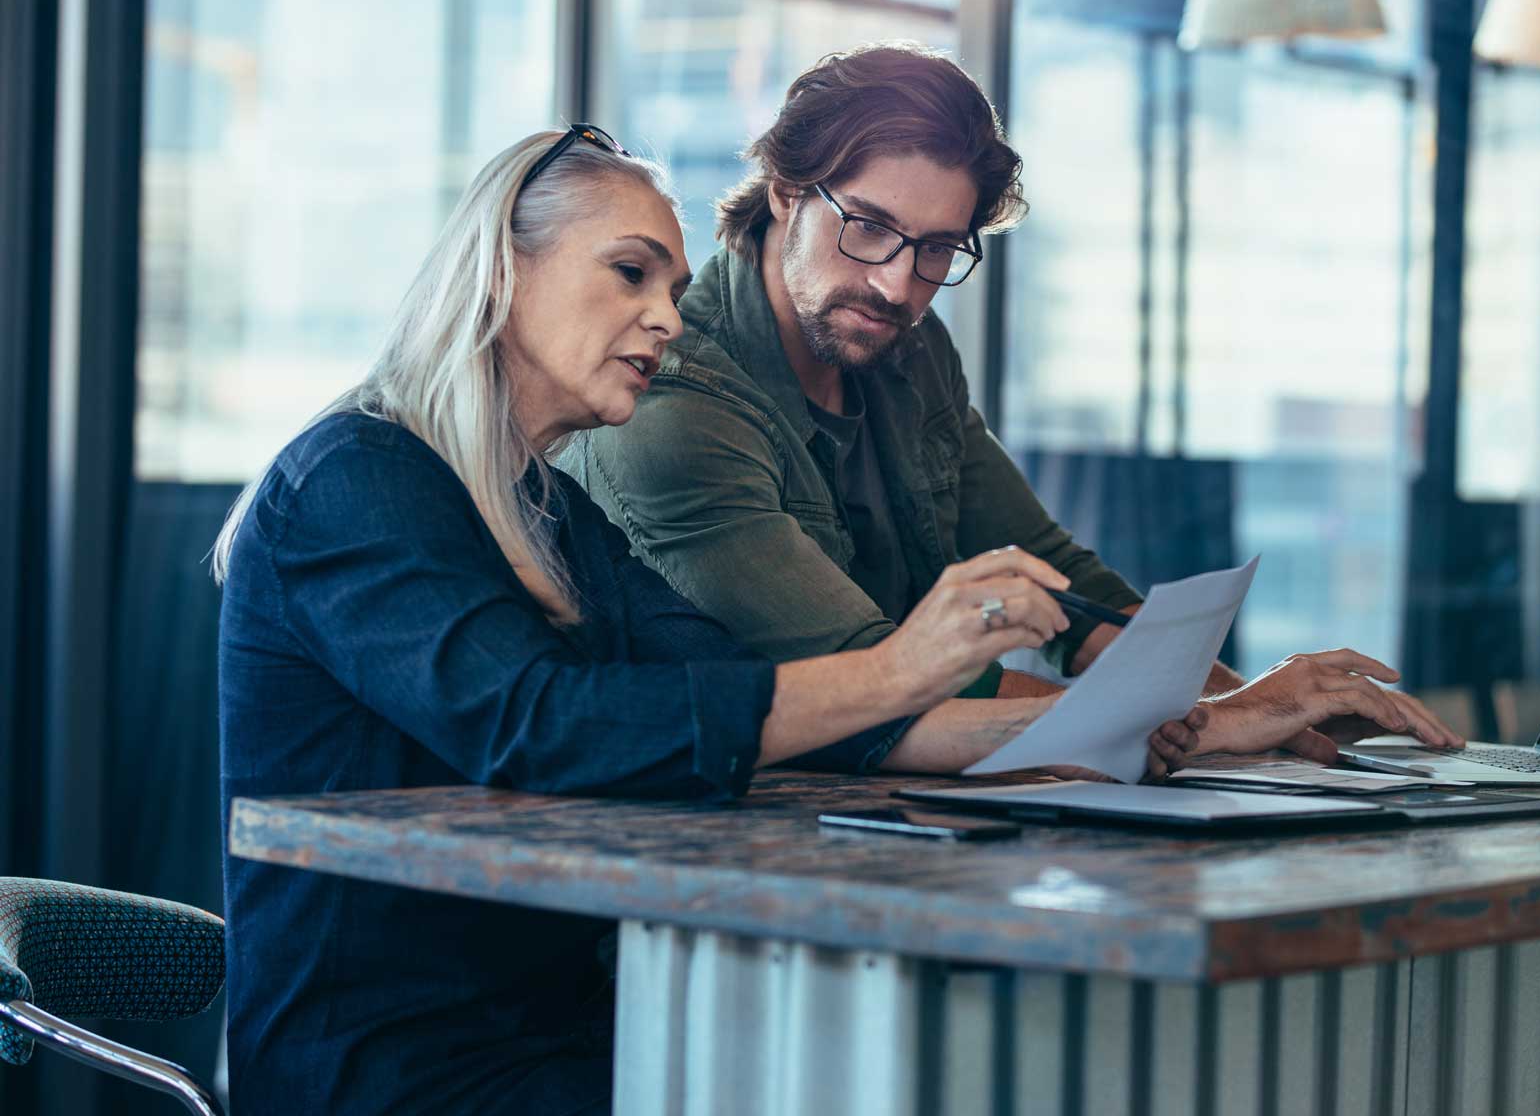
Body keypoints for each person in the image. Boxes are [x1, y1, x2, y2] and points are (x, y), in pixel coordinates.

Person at [210, 125, 1199, 1116]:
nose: (666, 321)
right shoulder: (356, 476)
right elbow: (538, 722)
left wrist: (1103, 727)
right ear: (502, 268)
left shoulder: (553, 511)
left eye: (673, 292)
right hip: (388, 1068)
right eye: (630, 273)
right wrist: (904, 665)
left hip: (572, 1025)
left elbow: (753, 695)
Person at [565, 43, 1461, 772]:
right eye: (869, 227)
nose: (896, 283)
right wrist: (1226, 719)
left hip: (894, 815)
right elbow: (874, 675)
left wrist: (1268, 724)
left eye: (937, 250)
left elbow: (1058, 584)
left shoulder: (905, 347)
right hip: (705, 840)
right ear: (786, 193)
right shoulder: (670, 399)